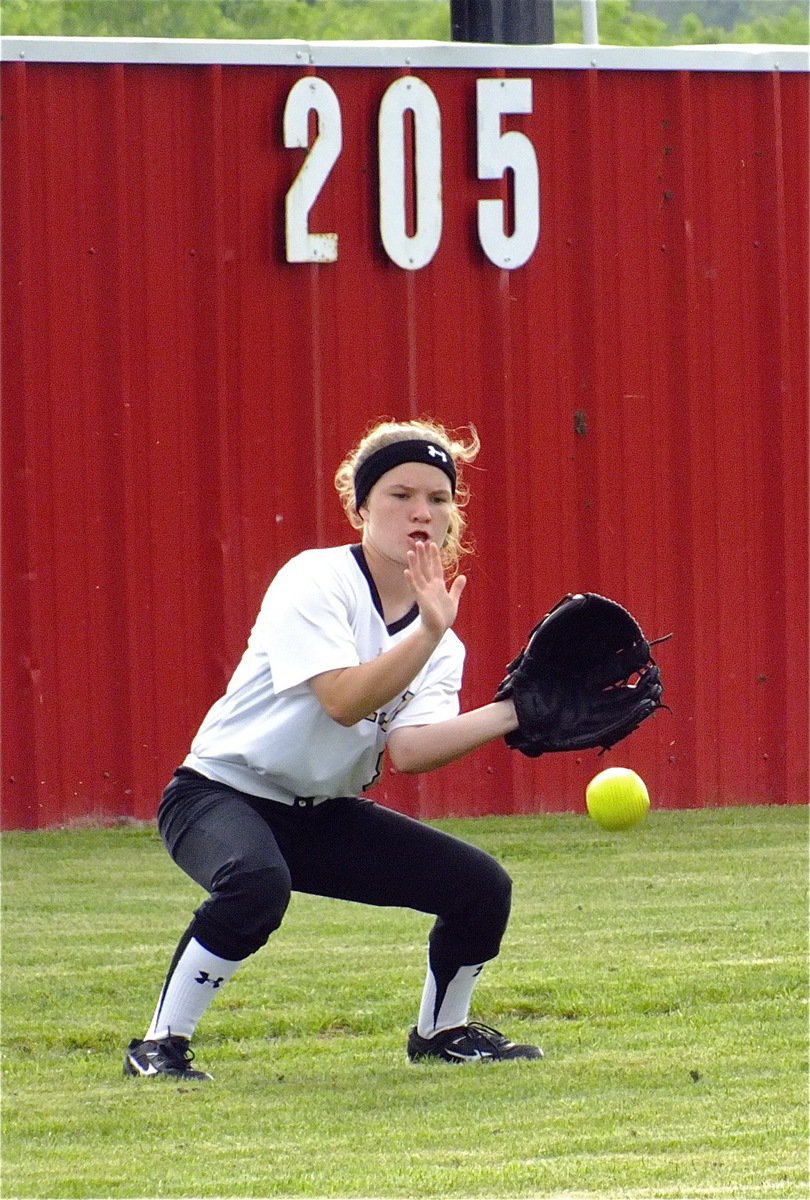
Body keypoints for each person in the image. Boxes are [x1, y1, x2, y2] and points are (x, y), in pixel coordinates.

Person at [124, 417, 542, 1080]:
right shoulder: (316, 580)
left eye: (437, 498)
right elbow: (344, 700)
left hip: (321, 814)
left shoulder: (441, 640)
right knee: (258, 884)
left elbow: (408, 751)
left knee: (479, 886)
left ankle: (442, 1032)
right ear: (361, 508)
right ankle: (159, 1044)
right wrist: (429, 634)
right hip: (218, 793)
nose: (420, 511)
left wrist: (510, 714)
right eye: (399, 494)